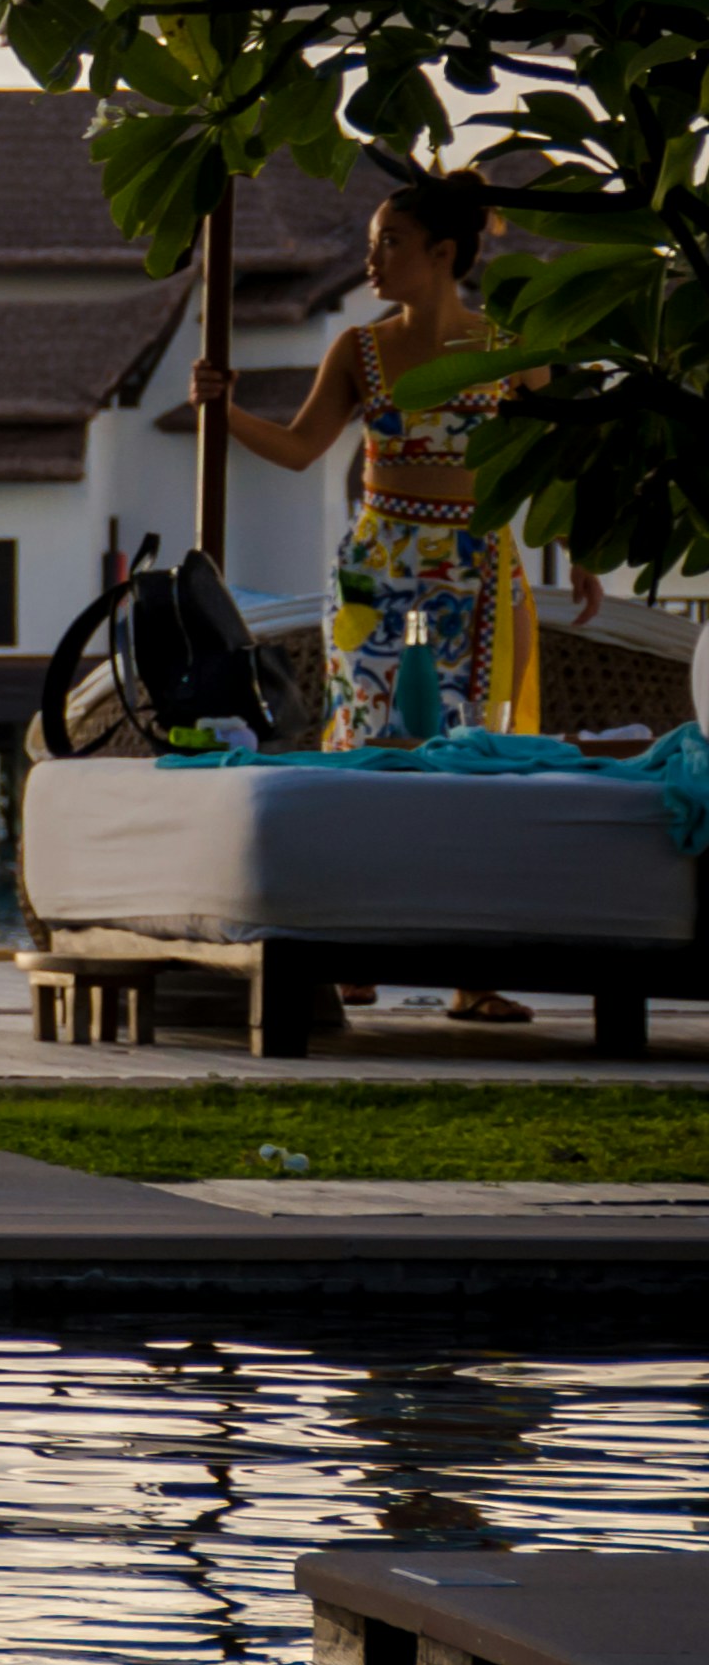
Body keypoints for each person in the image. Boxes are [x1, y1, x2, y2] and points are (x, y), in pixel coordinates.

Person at [194, 163, 601, 1024]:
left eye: (391, 243)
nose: (372, 259)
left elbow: (549, 465)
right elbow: (301, 448)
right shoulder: (361, 349)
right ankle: (354, 951)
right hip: (378, 578)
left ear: (443, 253)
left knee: (474, 757)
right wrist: (223, 413)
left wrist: (581, 552)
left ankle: (471, 973)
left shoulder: (508, 350)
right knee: (370, 749)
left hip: (476, 577)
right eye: (373, 243)